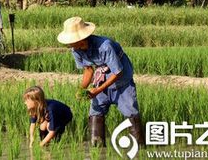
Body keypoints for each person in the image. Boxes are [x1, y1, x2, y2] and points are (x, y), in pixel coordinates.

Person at [57, 17, 144, 147]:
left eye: (71, 41)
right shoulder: (76, 50)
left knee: (131, 113)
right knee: (95, 113)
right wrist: (82, 89)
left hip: (122, 82)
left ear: (80, 40)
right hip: (101, 79)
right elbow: (88, 71)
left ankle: (139, 149)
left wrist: (97, 90)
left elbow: (117, 72)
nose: (69, 44)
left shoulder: (104, 46)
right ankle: (96, 149)